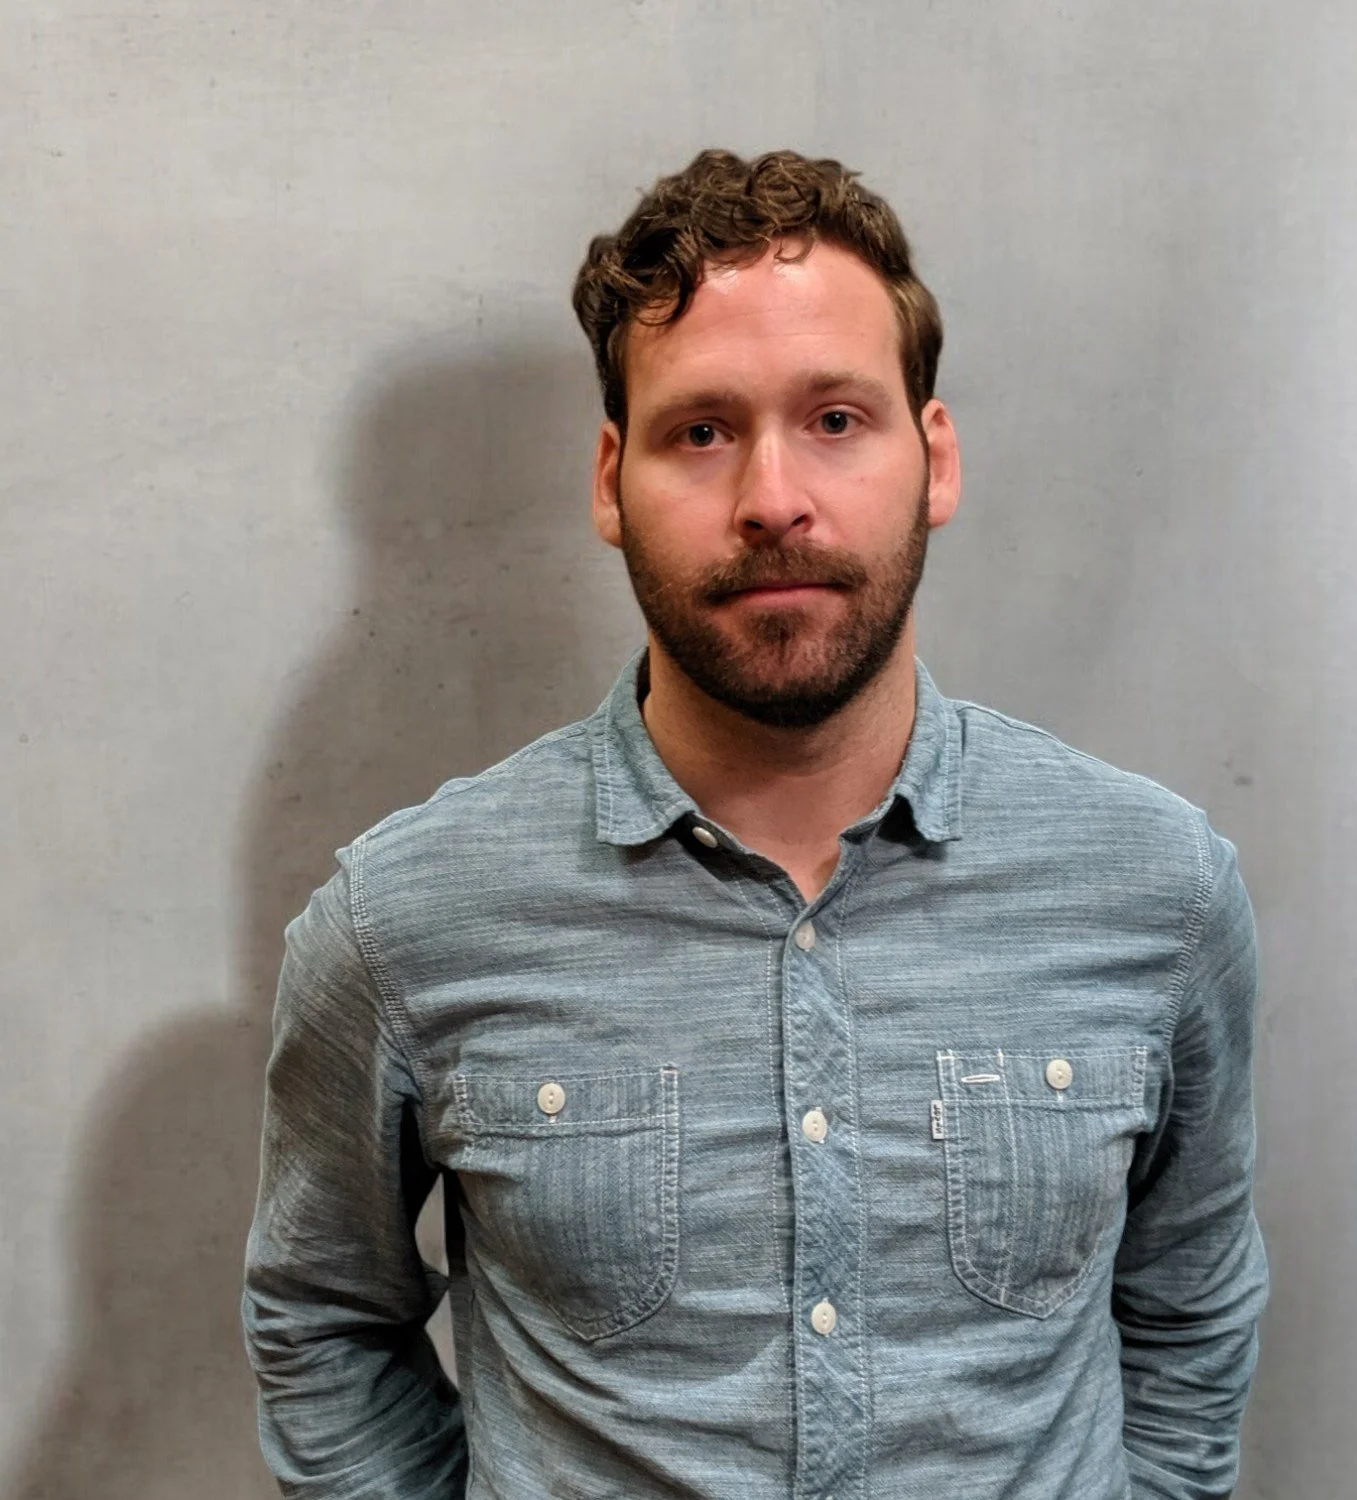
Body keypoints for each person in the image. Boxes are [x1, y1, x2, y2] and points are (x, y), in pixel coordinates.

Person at [243, 148, 1268, 1500]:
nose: (773, 498)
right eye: (702, 432)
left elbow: (1190, 1313)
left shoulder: (1159, 891)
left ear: (934, 457)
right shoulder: (404, 923)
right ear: (611, 479)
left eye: (836, 418)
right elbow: (323, 1322)